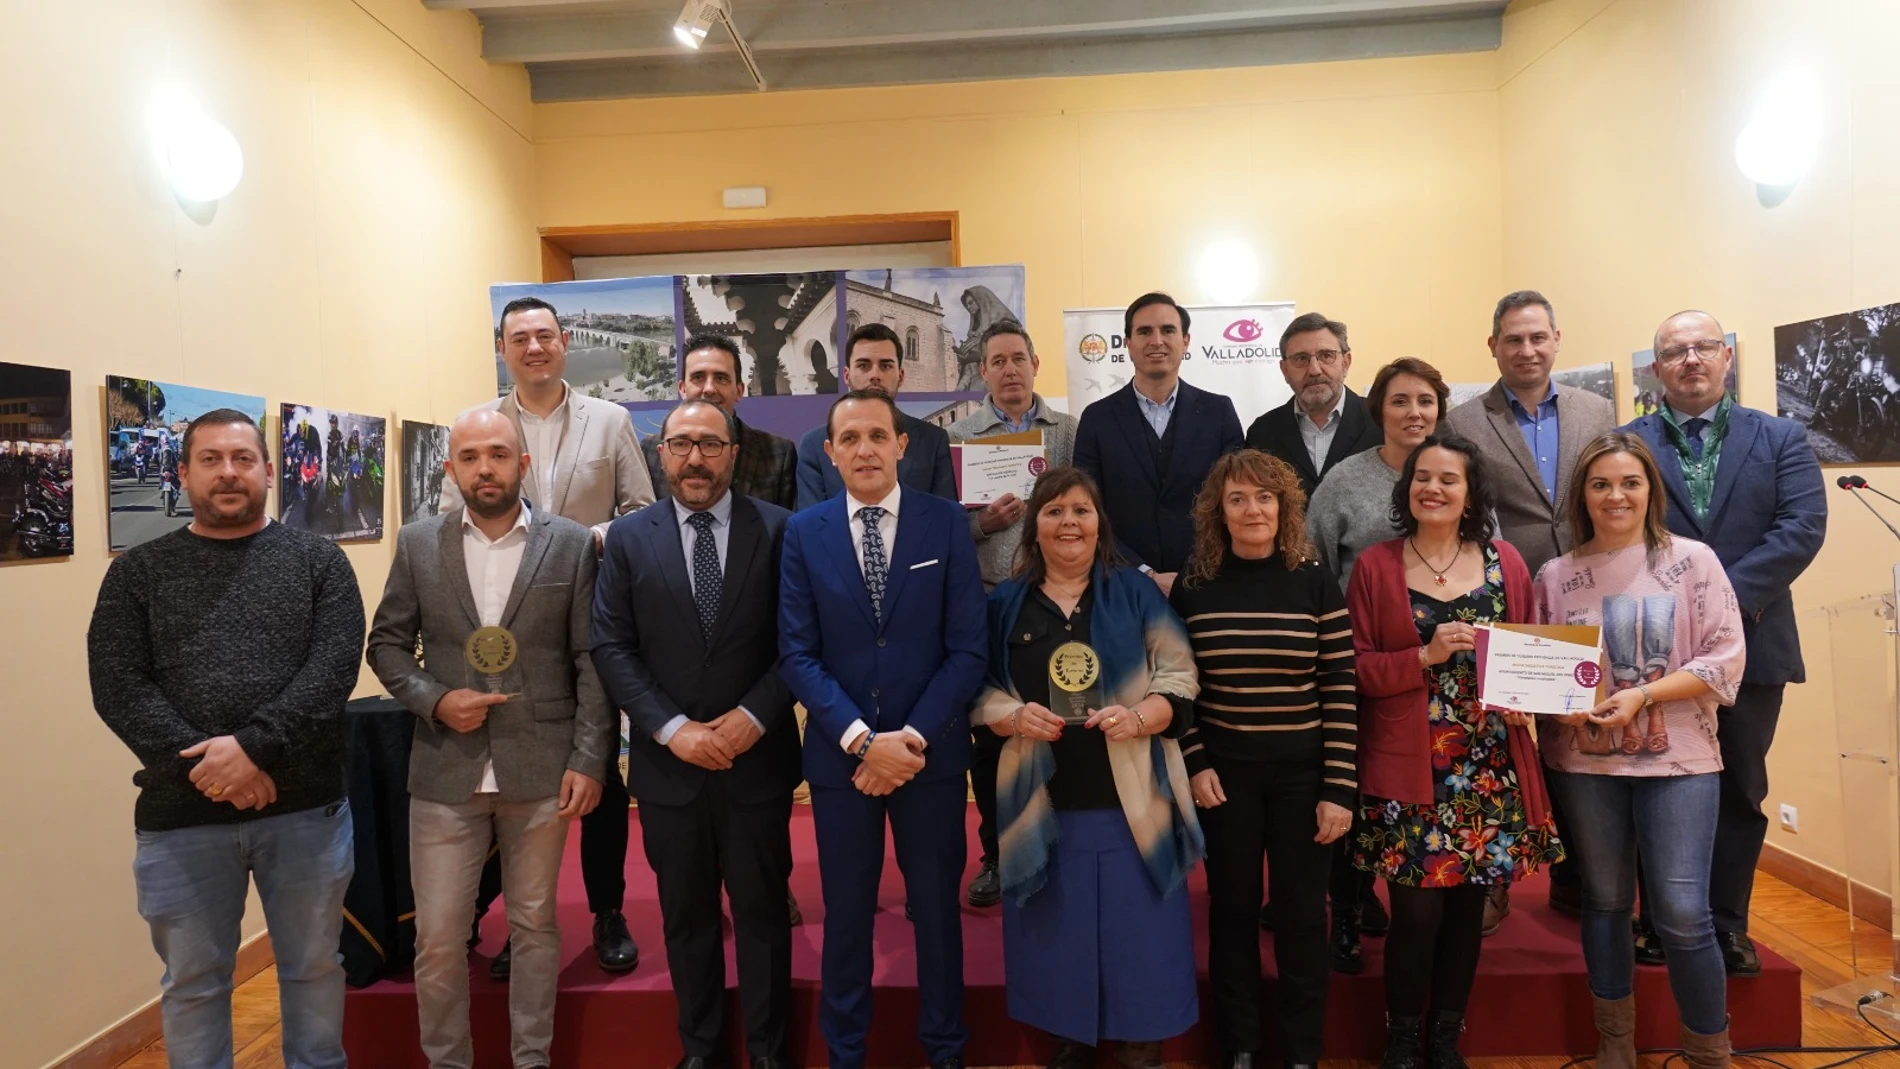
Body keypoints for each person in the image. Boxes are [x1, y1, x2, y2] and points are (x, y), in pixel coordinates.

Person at [88, 409, 364, 1069]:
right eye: (210, 459)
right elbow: (119, 689)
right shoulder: (137, 574)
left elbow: (332, 671)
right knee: (192, 985)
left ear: (270, 470)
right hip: (181, 818)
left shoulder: (319, 562)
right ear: (182, 473)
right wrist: (213, 770)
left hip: (304, 809)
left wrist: (252, 750)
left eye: (243, 458)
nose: (229, 472)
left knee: (314, 969)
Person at [367, 409, 609, 1069]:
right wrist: (436, 699)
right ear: (451, 467)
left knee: (534, 927)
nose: (485, 467)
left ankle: (532, 1058)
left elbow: (591, 658)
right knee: (440, 938)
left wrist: (591, 758)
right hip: (447, 770)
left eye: (498, 454)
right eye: (469, 456)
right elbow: (386, 644)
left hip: (542, 768)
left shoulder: (570, 543)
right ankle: (448, 1061)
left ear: (522, 462)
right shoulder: (418, 543)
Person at [444, 295, 655, 978]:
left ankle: (607, 910)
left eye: (544, 335)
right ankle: (516, 922)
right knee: (513, 774)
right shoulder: (480, 426)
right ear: (502, 348)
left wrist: (590, 538)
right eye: (519, 338)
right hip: (506, 626)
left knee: (597, 771)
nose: (533, 347)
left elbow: (642, 514)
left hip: (595, 612)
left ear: (564, 341)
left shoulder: (612, 419)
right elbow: (452, 523)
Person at [778, 389, 987, 1069]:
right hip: (844, 764)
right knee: (846, 917)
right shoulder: (804, 532)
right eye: (850, 438)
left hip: (931, 755)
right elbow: (797, 654)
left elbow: (967, 650)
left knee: (935, 913)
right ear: (829, 452)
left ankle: (945, 1048)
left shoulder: (945, 523)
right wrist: (865, 742)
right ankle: (845, 1053)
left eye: (878, 435)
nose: (864, 448)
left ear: (903, 445)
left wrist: (910, 741)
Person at [594, 400, 801, 1069]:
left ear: (734, 454)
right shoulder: (627, 540)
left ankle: (770, 1052)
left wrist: (753, 717)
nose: (695, 458)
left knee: (765, 916)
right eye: (681, 443)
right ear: (661, 453)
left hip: (757, 762)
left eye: (711, 445)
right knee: (686, 919)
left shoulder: (780, 531)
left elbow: (798, 644)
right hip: (669, 769)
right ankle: (702, 1050)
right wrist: (670, 727)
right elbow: (611, 646)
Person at [972, 466, 1202, 1069]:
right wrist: (1013, 716)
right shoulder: (1006, 602)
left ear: (1100, 523)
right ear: (1034, 524)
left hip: (1133, 800)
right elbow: (979, 690)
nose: (1068, 522)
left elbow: (1179, 675)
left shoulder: (1136, 592)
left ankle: (1140, 1049)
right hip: (1042, 799)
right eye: (1053, 511)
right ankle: (1068, 1044)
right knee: (1055, 944)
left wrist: (1143, 716)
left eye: (1081, 510)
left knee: (1142, 944)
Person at [1345, 435, 1561, 1069]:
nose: (1432, 488)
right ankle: (1402, 1038)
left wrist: (1533, 696)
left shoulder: (1506, 562)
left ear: (1471, 494)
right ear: (1406, 487)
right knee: (1414, 912)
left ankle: (1445, 1039)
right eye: (1421, 477)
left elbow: (1529, 654)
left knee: (1469, 912)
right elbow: (1354, 669)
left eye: (1448, 479)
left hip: (1488, 764)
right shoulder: (1376, 566)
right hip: (1408, 765)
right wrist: (1424, 656)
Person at [1534, 432, 1747, 1069]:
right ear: (1583, 496)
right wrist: (1534, 701)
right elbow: (1545, 670)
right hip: (1586, 764)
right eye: (1600, 484)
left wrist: (1644, 695)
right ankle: (1615, 1044)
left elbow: (1725, 659)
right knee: (1602, 900)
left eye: (1630, 482)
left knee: (1683, 913)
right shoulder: (1557, 574)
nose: (1616, 495)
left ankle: (1710, 1052)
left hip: (1680, 760)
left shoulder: (1695, 561)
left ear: (1651, 490)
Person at [1623, 311, 1825, 975]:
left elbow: (1801, 528)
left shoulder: (1781, 437)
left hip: (1756, 646)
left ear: (1726, 357)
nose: (1690, 360)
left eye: (1703, 347)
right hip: (1655, 650)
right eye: (1674, 351)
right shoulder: (1629, 443)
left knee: (1740, 788)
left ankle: (1729, 927)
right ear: (1657, 368)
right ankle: (1658, 922)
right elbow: (1616, 530)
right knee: (1657, 783)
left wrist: (1716, 602)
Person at [1172, 451, 1355, 1069]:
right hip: (1226, 779)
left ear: (1285, 506)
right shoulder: (1194, 588)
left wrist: (1339, 786)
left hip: (1305, 778)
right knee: (1233, 914)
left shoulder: (1314, 579)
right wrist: (1196, 763)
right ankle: (1241, 1047)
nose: (1253, 510)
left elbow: (1338, 684)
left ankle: (1303, 1051)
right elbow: (1179, 689)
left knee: (1305, 918)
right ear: (1217, 513)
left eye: (1265, 497)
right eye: (1237, 499)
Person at [1441, 289, 1612, 925]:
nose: (1528, 349)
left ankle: (1578, 879)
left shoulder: (1598, 410)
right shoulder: (1463, 421)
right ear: (1494, 347)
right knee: (1505, 742)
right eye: (1513, 339)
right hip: (1509, 600)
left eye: (1538, 337)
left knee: (1574, 738)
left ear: (1556, 339)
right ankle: (1496, 876)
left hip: (1586, 598)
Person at [947, 318, 1079, 908]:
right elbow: (945, 528)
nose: (1008, 370)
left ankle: (1064, 845)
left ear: (1035, 364)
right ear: (983, 372)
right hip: (989, 602)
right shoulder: (963, 434)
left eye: (1017, 359)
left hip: (1060, 602)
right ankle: (998, 855)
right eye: (996, 361)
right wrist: (983, 523)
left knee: (1066, 723)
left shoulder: (1070, 434)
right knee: (993, 736)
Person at [1074, 292, 1244, 596]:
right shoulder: (1096, 419)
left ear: (1186, 341)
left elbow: (1235, 501)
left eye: (1167, 330)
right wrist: (1144, 573)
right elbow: (1088, 510)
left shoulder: (1219, 413)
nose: (1156, 340)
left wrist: (1195, 571)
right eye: (1144, 331)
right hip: (1121, 585)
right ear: (1127, 343)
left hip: (1210, 582)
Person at [1308, 358, 1450, 589]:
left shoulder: (1464, 474)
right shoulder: (1343, 481)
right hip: (1365, 621)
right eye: (1400, 402)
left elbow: (1490, 556)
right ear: (1379, 410)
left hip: (1459, 620)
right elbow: (1314, 566)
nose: (1414, 412)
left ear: (1439, 410)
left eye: (1425, 401)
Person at [794, 323, 957, 510]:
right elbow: (811, 526)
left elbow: (945, 520)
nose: (874, 375)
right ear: (846, 376)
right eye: (863, 365)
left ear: (901, 376)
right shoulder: (814, 445)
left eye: (886, 366)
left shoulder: (933, 440)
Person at [642, 334, 799, 510]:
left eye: (721, 378)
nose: (709, 389)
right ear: (682, 389)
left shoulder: (778, 453)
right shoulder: (650, 451)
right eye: (698, 377)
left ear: (739, 390)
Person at [1244, 312, 1383, 498]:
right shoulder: (1262, 433)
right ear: (1284, 370)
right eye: (1300, 359)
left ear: (1346, 362)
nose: (1314, 370)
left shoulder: (1381, 421)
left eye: (1326, 356)